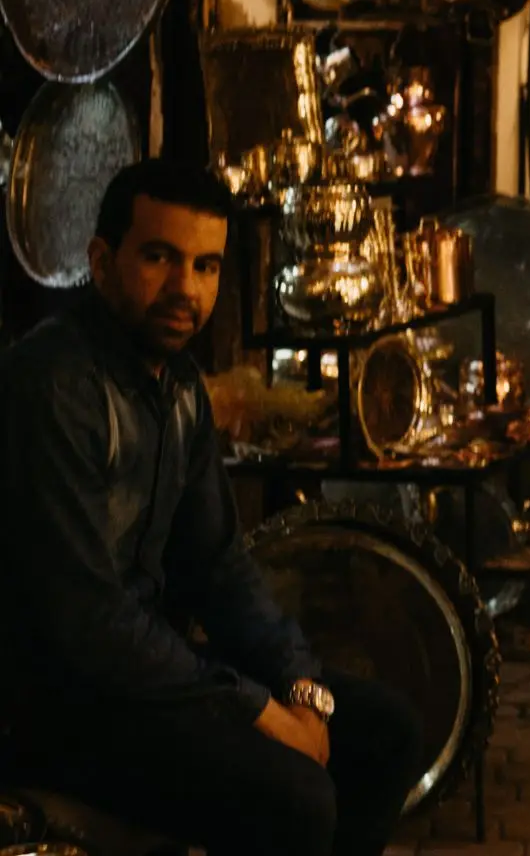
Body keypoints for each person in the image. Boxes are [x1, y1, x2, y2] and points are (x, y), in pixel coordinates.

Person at [0, 160, 422, 856]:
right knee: (294, 797)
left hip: (143, 681)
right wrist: (254, 707)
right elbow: (88, 624)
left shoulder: (181, 387)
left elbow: (219, 568)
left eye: (205, 266)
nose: (184, 290)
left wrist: (299, 685)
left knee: (385, 733)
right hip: (55, 706)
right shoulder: (53, 386)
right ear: (101, 261)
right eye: (160, 258)